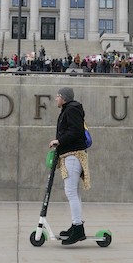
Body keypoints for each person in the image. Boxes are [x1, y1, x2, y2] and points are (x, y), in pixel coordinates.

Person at [48, 87, 90, 245]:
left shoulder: (71, 110)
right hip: (70, 154)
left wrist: (59, 141)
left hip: (73, 155)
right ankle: (76, 225)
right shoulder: (70, 109)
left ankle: (78, 228)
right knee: (73, 192)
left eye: (57, 96)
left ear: (63, 97)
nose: (56, 99)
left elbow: (75, 130)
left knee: (71, 192)